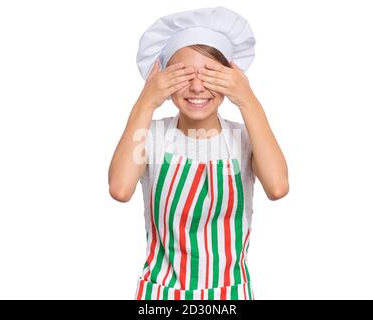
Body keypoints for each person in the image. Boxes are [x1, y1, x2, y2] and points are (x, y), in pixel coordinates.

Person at [108, 7, 289, 300]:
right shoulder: (152, 136)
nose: (196, 87)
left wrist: (247, 98)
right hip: (162, 296)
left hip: (229, 297)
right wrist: (146, 101)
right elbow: (119, 188)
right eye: (183, 75)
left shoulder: (244, 138)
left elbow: (278, 187)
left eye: (210, 75)